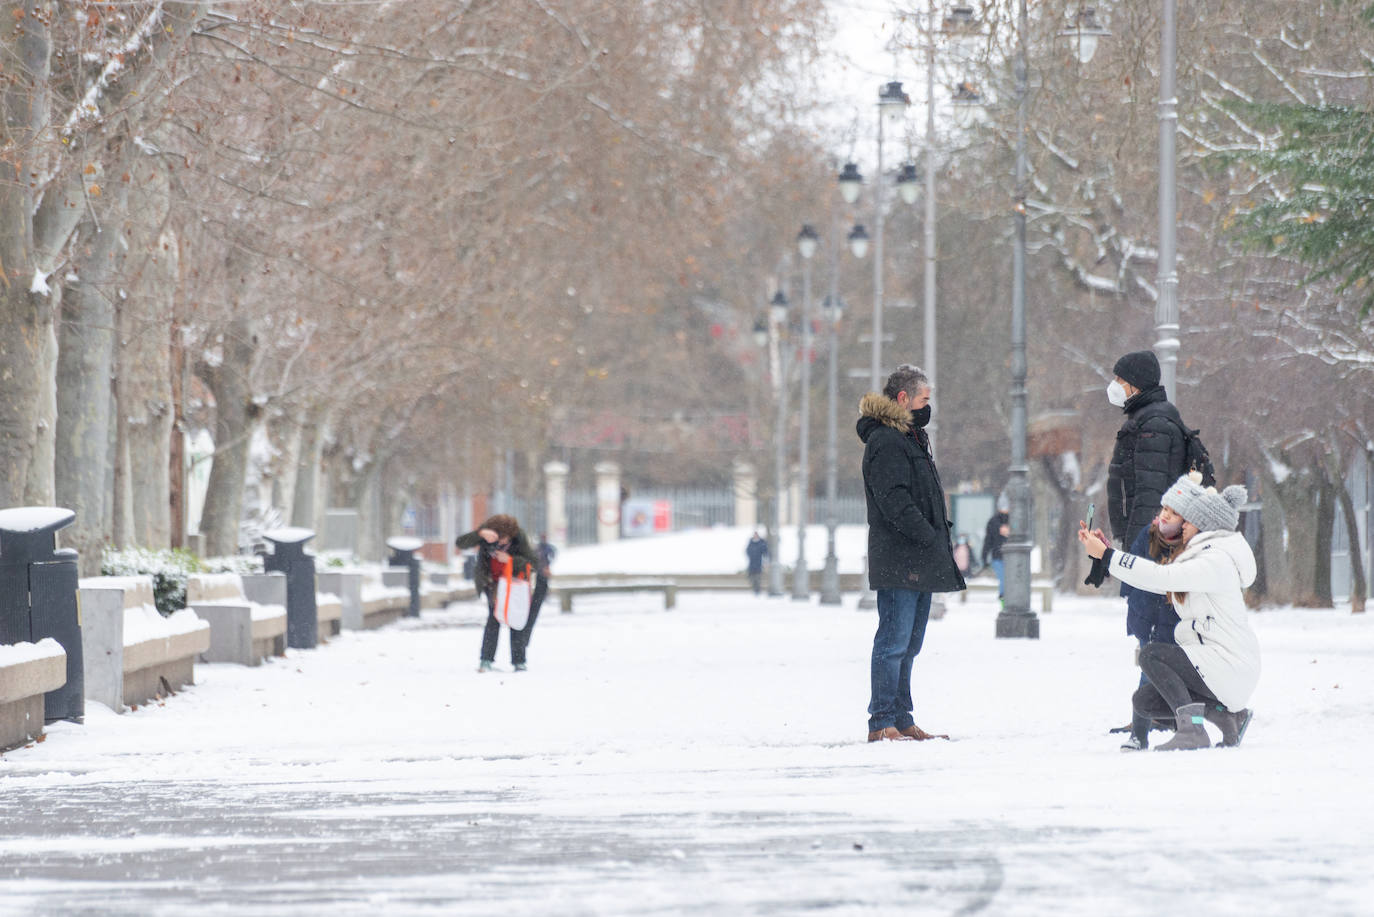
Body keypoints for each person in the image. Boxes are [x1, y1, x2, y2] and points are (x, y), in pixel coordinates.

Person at [1079, 474, 1258, 751]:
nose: (1183, 523)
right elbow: (1150, 565)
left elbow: (1160, 577)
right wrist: (1105, 552)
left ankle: (1192, 730)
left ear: (1204, 524)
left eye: (1187, 519)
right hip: (1216, 664)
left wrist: (1108, 556)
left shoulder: (1215, 561)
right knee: (1146, 701)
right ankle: (1229, 718)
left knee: (1152, 654)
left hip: (1226, 664)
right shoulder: (1203, 553)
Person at [857, 364, 966, 743]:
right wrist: (926, 534)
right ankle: (881, 721)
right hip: (900, 557)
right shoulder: (887, 440)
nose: (927, 407)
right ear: (903, 399)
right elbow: (894, 500)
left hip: (919, 556)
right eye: (923, 399)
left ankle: (902, 719)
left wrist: (934, 538)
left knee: (910, 644)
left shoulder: (910, 437)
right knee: (893, 641)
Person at [1105, 350, 1193, 549]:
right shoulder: (1143, 421)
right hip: (1148, 539)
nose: (1114, 385)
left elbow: (1150, 495)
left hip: (1152, 545)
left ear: (1136, 384)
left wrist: (1139, 546)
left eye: (1120, 379)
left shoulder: (1154, 426)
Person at [1112, 511, 1184, 750]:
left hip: (1179, 622)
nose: (1164, 516)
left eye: (1173, 514)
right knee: (1148, 674)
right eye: (1164, 510)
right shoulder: (1148, 535)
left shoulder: (1192, 543)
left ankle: (1186, 724)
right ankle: (1139, 733)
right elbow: (1131, 574)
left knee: (1185, 676)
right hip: (1149, 620)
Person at [456, 515, 543, 673]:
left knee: (515, 619)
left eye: (505, 539)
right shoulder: (485, 536)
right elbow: (460, 543)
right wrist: (479, 534)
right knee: (494, 619)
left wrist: (510, 559)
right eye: (499, 539)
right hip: (492, 584)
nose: (502, 542)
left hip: (513, 583)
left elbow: (533, 562)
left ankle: (519, 661)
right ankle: (486, 660)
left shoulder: (519, 537)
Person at [982, 500, 1010, 602]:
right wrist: (984, 557)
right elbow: (988, 540)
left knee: (1009, 581)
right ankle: (1004, 603)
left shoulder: (1014, 520)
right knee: (1004, 580)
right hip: (998, 557)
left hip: (1012, 557)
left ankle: (1007, 602)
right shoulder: (993, 522)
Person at [745, 531, 769, 595]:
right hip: (752, 562)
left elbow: (765, 552)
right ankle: (755, 588)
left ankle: (757, 590)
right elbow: (747, 551)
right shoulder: (751, 542)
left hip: (758, 562)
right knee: (752, 576)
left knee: (758, 576)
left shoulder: (761, 543)